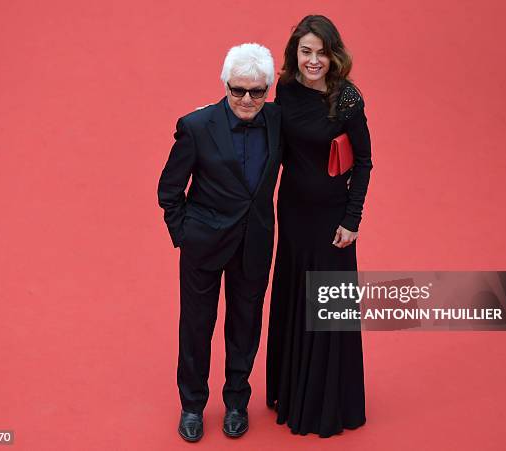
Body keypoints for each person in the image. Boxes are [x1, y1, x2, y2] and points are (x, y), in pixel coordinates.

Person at [157, 43, 281, 442]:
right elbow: (169, 190)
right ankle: (192, 405)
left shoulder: (279, 122)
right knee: (196, 327)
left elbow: (320, 120)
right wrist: (185, 236)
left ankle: (236, 403)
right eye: (237, 89)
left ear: (269, 88)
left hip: (255, 243)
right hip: (203, 245)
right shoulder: (196, 126)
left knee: (245, 326)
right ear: (224, 85)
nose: (246, 99)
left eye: (256, 91)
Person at [266, 15, 373, 438]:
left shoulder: (347, 98)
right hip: (291, 212)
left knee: (327, 305)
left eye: (322, 53)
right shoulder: (286, 89)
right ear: (295, 53)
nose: (314, 60)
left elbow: (363, 162)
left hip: (331, 219)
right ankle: (291, 391)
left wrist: (352, 220)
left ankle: (327, 403)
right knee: (294, 294)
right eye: (306, 51)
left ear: (334, 55)